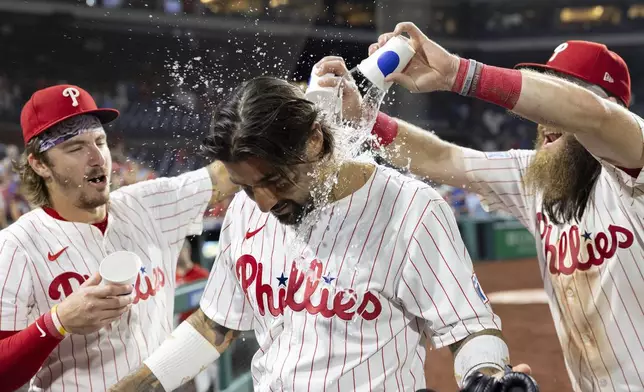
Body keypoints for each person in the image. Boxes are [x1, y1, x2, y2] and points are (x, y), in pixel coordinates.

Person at [109, 76, 533, 391]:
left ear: (314, 141)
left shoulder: (411, 208)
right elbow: (215, 326)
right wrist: (139, 384)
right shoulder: (245, 211)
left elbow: (469, 329)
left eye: (274, 180)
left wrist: (486, 375)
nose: (263, 202)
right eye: (246, 186)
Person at [315, 22, 644, 391]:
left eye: (559, 96)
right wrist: (364, 119)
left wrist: (459, 73)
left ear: (617, 110)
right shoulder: (538, 177)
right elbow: (445, 158)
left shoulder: (638, 168)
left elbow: (595, 116)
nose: (543, 116)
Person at [0, 84, 237, 391]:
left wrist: (314, 100)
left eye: (100, 141)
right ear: (39, 163)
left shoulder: (148, 203)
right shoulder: (15, 246)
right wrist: (58, 322)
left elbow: (227, 174)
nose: (97, 157)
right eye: (75, 147)